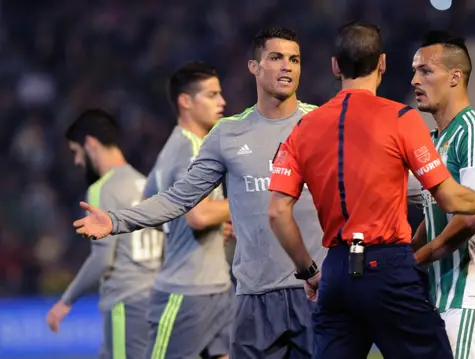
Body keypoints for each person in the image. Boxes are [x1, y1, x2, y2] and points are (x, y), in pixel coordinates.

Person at [266, 21, 475, 359]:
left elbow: (277, 211)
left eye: (425, 70)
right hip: (389, 267)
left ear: (335, 65)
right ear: (381, 63)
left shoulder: (304, 127)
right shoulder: (402, 119)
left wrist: (309, 272)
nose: (415, 80)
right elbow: (450, 200)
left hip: (337, 269)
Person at [72, 27, 326, 359]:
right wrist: (117, 221)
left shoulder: (322, 123)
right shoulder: (228, 134)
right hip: (255, 298)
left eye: (294, 59)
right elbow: (180, 198)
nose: (287, 67)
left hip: (317, 290)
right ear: (254, 66)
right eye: (276, 58)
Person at [409, 31, 475, 359]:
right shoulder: (433, 141)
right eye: (414, 70)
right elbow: (435, 212)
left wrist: (418, 259)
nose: (415, 79)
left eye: (425, 71)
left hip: (472, 293)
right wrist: (405, 258)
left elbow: (471, 219)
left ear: (455, 77)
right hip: (442, 297)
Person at [47, 109, 164, 359]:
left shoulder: (103, 188)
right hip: (154, 301)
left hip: (127, 302)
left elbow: (102, 258)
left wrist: (65, 301)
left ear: (90, 144)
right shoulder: (146, 182)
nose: (77, 162)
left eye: (76, 153)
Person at [141, 61, 234, 359]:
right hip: (186, 293)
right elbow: (200, 215)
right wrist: (247, 201)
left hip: (215, 287)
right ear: (185, 101)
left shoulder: (185, 148)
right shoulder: (188, 150)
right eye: (212, 95)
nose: (223, 102)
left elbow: (152, 203)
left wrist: (217, 223)